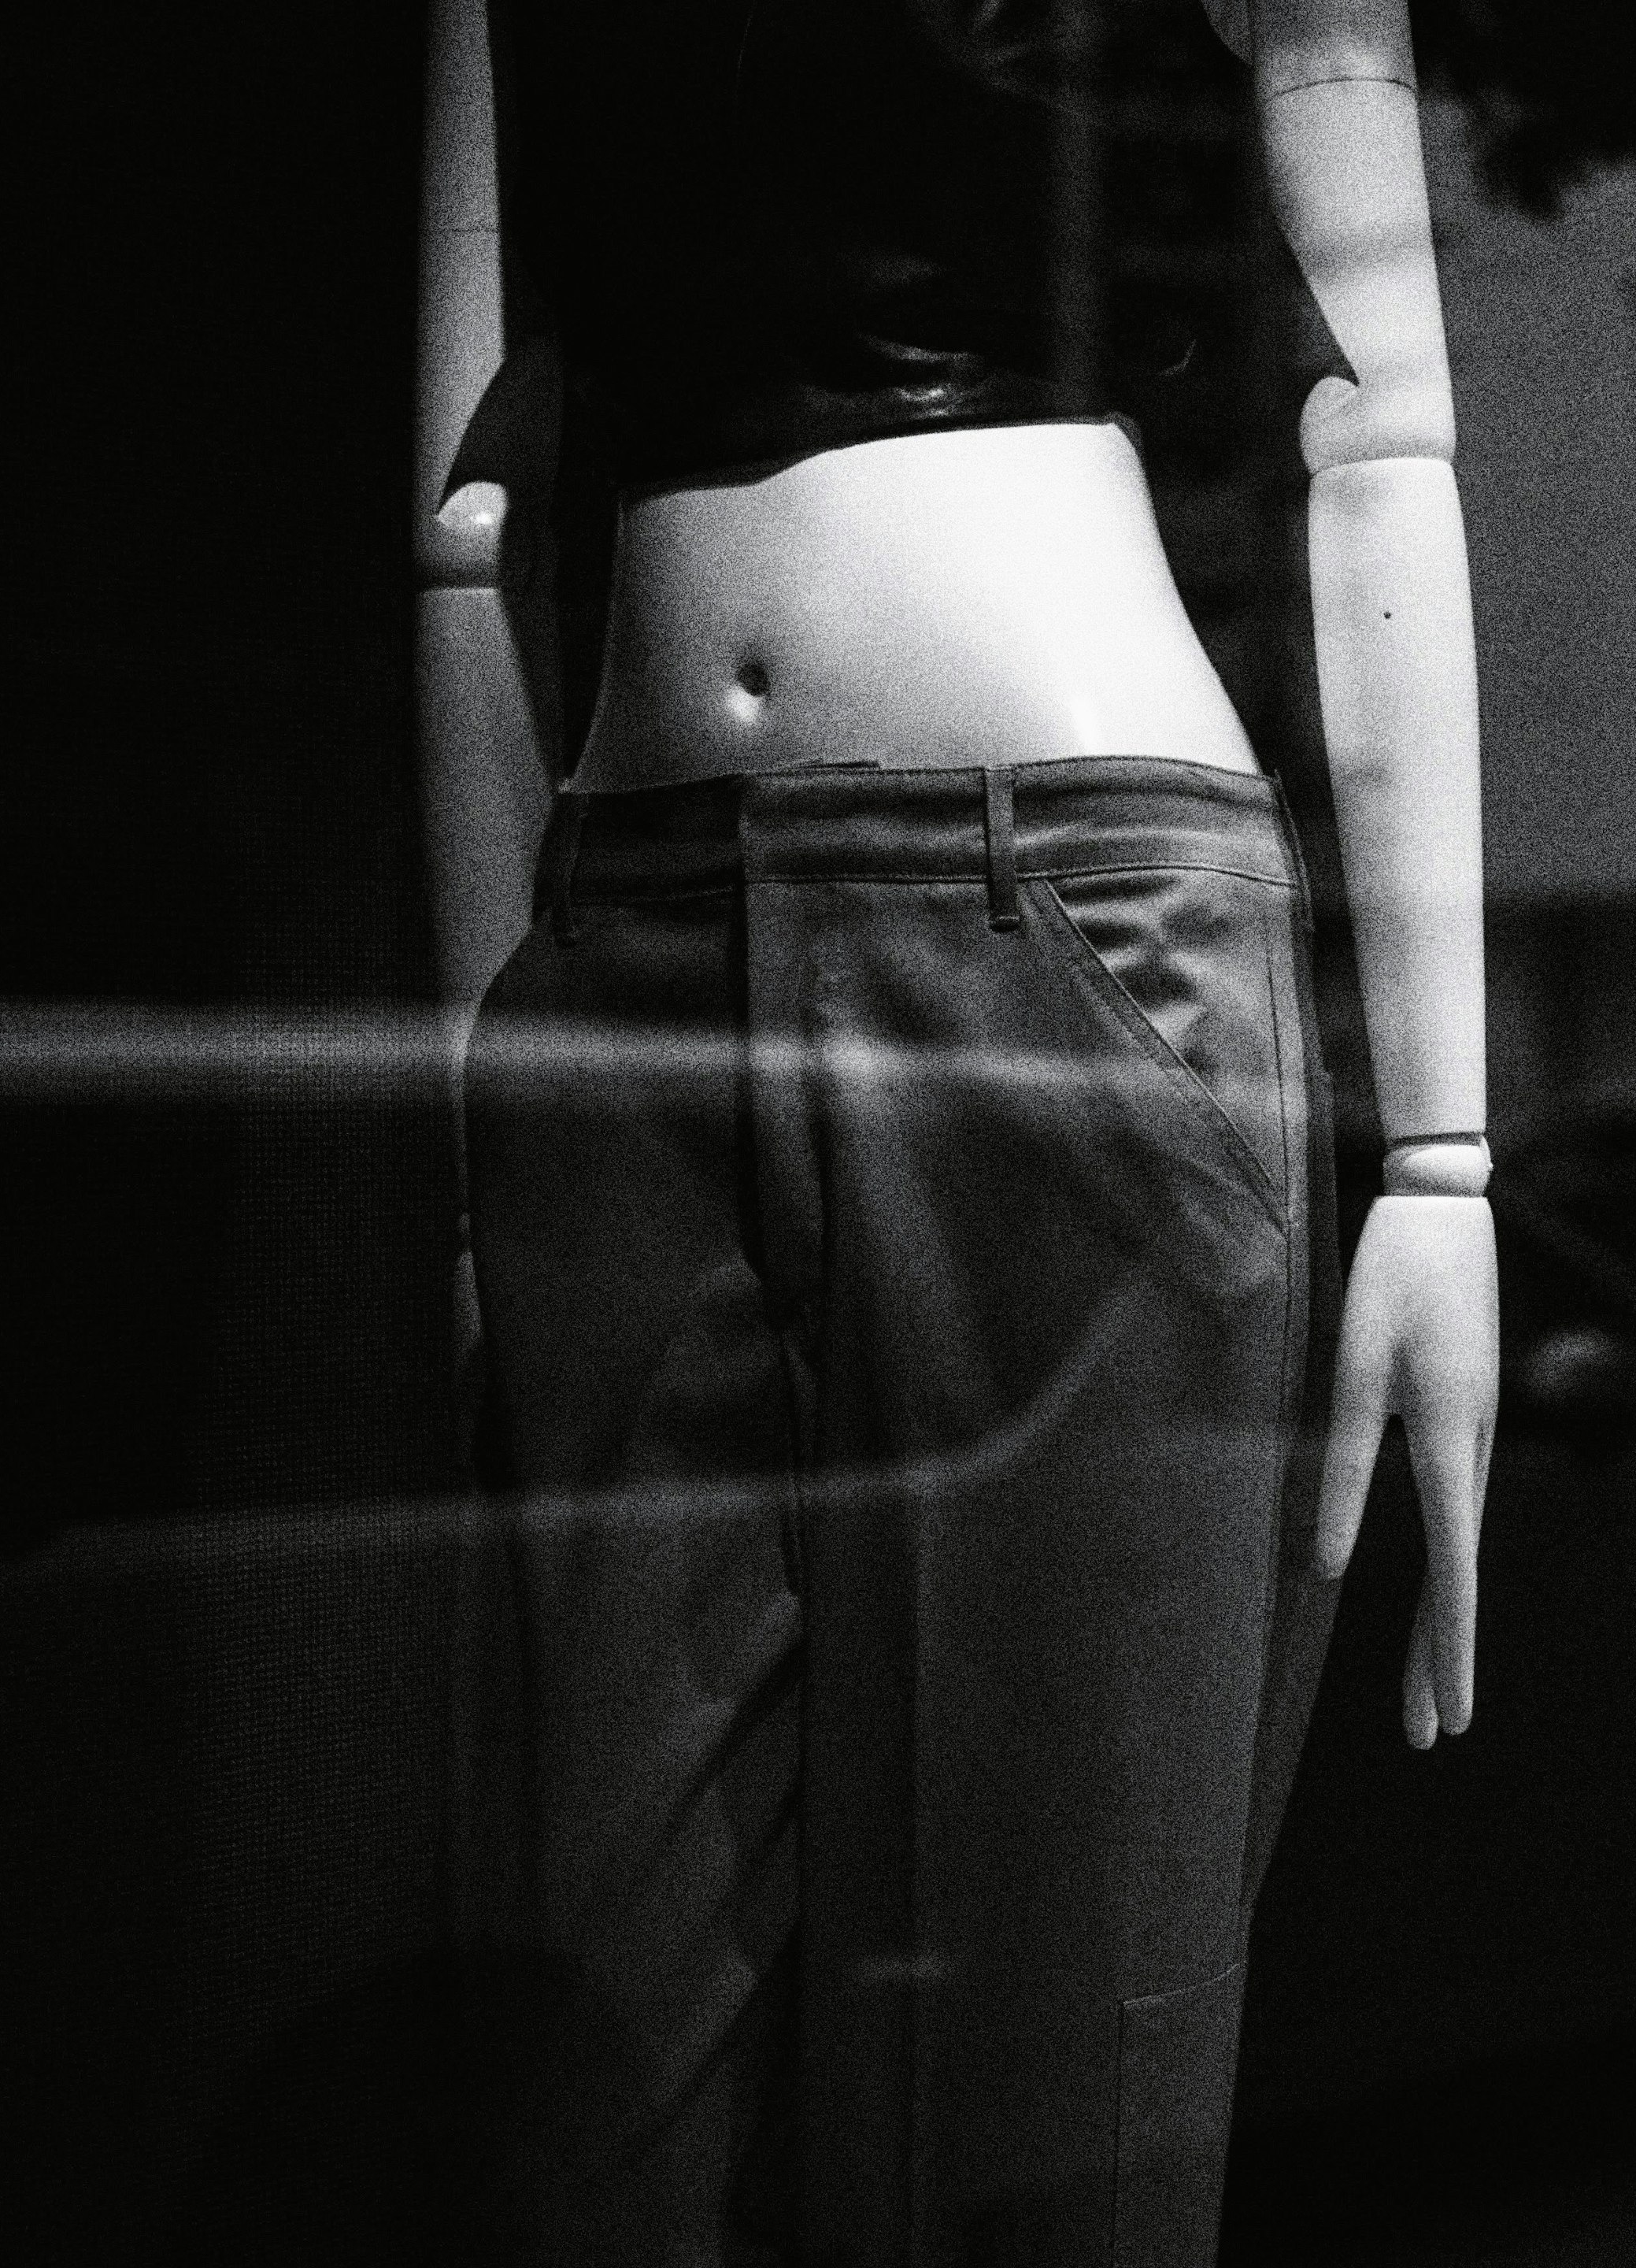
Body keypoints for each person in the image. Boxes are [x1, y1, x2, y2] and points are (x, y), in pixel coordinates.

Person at [411, 3, 1495, 2261]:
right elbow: (462, 519)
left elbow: (1380, 423)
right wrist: (479, 1133)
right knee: (580, 2111)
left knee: (1043, 2112)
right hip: (616, 980)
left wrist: (1447, 1165)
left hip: (1063, 936)